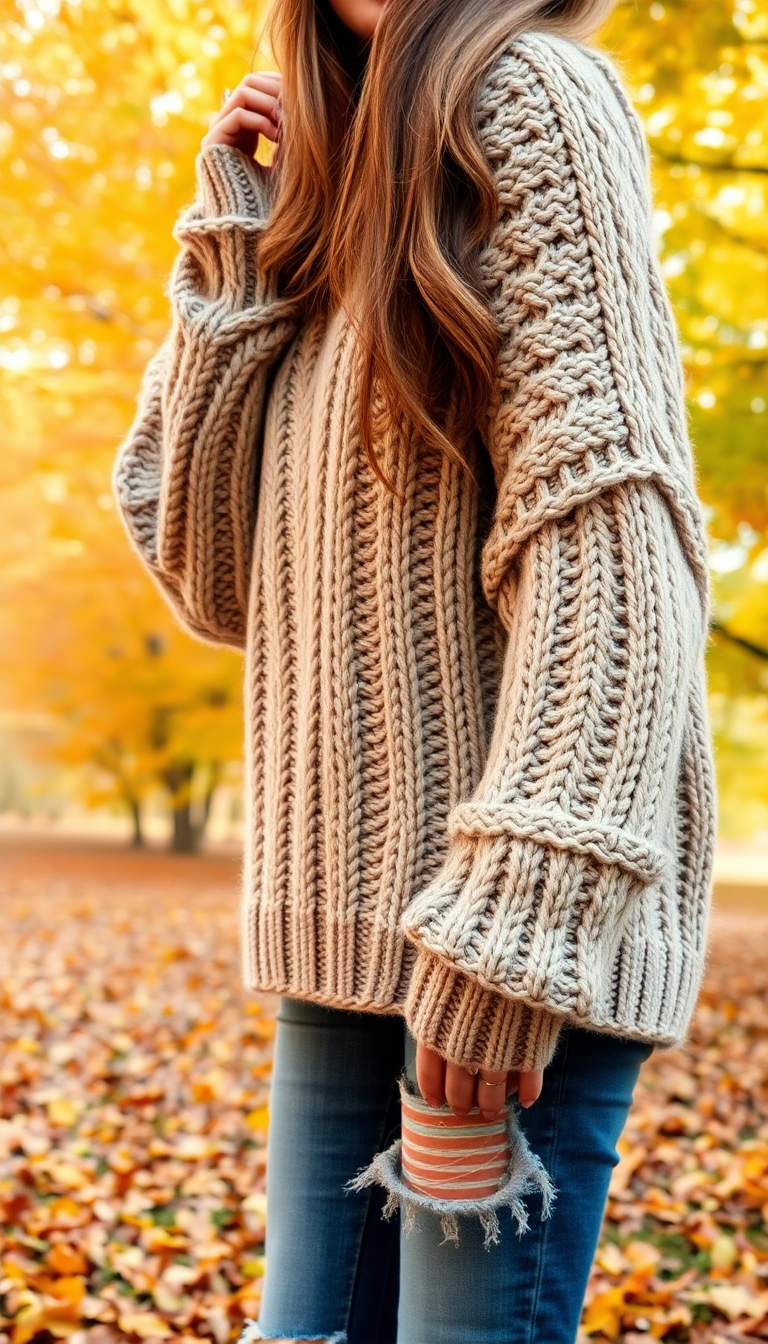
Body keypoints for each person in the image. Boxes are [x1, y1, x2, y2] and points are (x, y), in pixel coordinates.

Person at [112, 0, 718, 1331]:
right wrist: (238, 265)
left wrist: (513, 934)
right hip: (345, 942)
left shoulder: (530, 98)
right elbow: (219, 579)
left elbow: (613, 541)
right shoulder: (332, 203)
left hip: (501, 948)